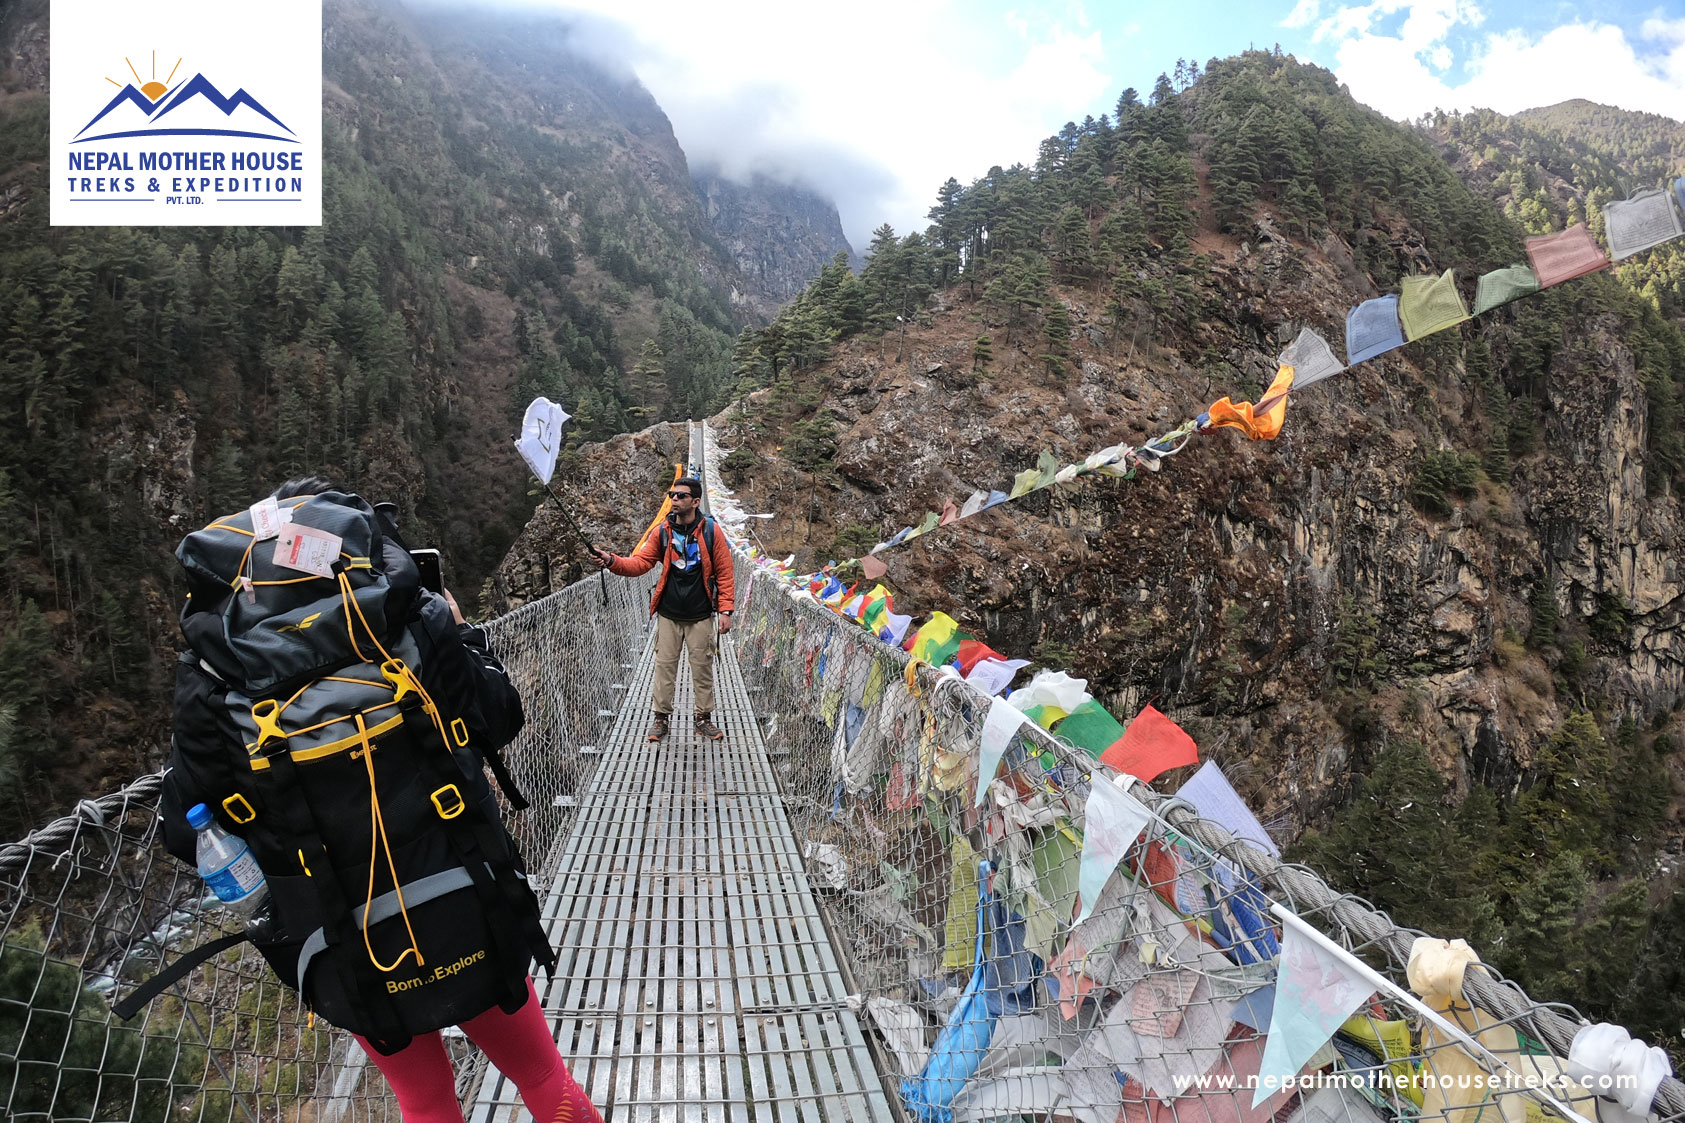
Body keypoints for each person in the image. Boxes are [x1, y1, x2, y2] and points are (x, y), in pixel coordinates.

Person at [159, 477, 601, 1123]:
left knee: (423, 1100)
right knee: (540, 1074)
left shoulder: (214, 682)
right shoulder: (409, 621)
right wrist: (460, 631)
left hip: (344, 937)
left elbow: (187, 827)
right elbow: (499, 715)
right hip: (470, 899)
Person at [591, 477, 735, 742]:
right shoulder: (662, 532)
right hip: (669, 614)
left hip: (700, 614)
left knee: (702, 667)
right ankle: (661, 719)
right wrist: (611, 560)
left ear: (695, 501)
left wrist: (725, 610)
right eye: (672, 495)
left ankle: (703, 718)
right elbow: (640, 564)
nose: (675, 499)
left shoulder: (712, 532)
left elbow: (725, 572)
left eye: (681, 495)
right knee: (664, 667)